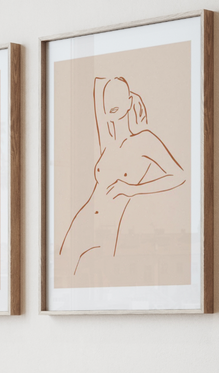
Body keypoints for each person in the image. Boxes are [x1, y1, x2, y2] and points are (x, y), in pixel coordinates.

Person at [58, 76, 185, 275]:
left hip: (107, 231)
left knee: (93, 280)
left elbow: (179, 175)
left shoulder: (145, 140)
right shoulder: (108, 141)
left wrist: (133, 189)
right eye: (107, 103)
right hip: (81, 221)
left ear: (128, 102)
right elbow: (97, 87)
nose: (109, 110)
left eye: (117, 102)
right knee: (62, 276)